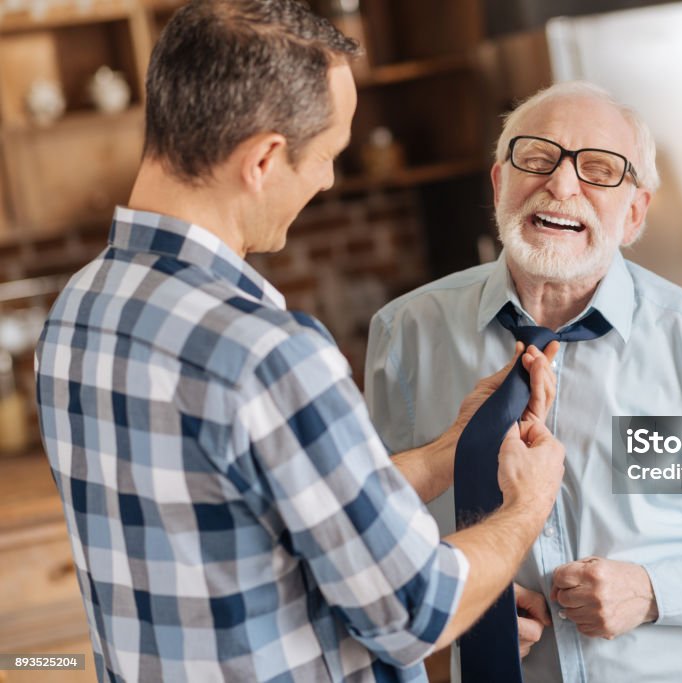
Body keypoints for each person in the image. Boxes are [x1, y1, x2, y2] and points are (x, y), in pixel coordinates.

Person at [34, 2, 565, 681]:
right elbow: (415, 609)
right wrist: (528, 505)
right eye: (328, 154)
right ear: (263, 159)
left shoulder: (78, 310)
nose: (329, 179)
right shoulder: (266, 352)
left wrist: (441, 455)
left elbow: (266, 511)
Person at [365, 81, 682, 682]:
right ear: (499, 185)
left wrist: (653, 591)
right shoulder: (405, 334)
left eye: (598, 170)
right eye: (537, 158)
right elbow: (379, 527)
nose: (562, 185)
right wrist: (461, 603)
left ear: (635, 213)